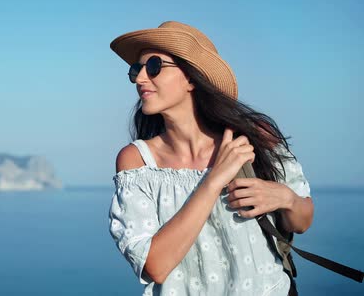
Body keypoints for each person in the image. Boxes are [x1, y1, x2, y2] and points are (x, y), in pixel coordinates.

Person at [107, 21, 314, 296]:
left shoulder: (253, 139)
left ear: (192, 78)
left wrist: (285, 198)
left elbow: (302, 221)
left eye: (154, 66)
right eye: (136, 69)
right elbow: (154, 266)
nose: (141, 78)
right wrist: (213, 180)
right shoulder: (138, 161)